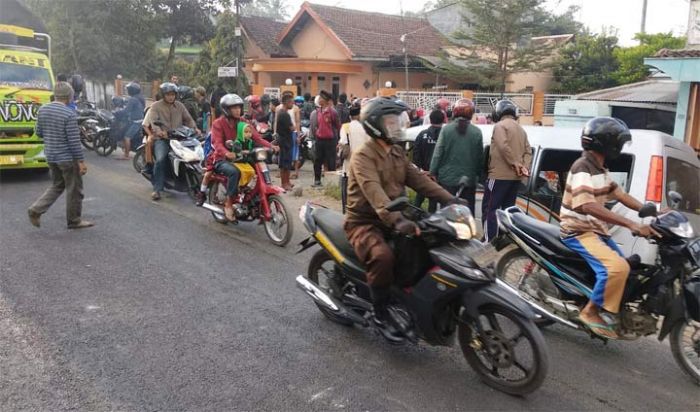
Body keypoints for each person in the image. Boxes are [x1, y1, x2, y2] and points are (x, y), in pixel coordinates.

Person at [344, 97, 461, 342]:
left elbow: (419, 180)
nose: (397, 126)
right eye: (391, 122)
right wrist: (397, 221)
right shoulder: (363, 157)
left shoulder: (396, 152)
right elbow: (374, 192)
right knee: (383, 257)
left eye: (398, 121)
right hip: (365, 222)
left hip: (398, 214)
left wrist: (452, 201)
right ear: (376, 125)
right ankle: (380, 313)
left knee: (431, 241)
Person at [559, 117, 659, 339]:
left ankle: (603, 304)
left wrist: (651, 211)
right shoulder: (582, 167)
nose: (621, 147)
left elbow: (621, 195)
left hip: (595, 230)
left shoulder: (600, 169)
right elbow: (587, 205)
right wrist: (631, 223)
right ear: (606, 143)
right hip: (578, 230)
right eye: (618, 142)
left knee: (626, 267)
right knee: (617, 269)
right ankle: (590, 312)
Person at [27, 82, 93, 229]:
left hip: (51, 156)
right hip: (67, 159)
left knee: (57, 185)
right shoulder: (69, 113)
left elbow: (38, 132)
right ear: (69, 96)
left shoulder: (43, 109)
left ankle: (36, 209)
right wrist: (81, 161)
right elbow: (74, 141)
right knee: (74, 189)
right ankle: (74, 221)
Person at [208, 94, 273, 221]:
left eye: (239, 107)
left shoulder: (244, 122)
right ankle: (228, 203)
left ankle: (254, 195)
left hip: (241, 156)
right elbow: (217, 143)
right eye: (234, 108)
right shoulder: (218, 123)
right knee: (234, 172)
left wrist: (271, 146)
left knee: (260, 166)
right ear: (226, 110)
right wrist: (227, 153)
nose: (238, 110)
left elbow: (257, 138)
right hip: (222, 159)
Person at [482, 100, 532, 242]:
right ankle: (503, 241)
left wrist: (514, 163)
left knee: (490, 209)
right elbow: (528, 151)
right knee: (507, 211)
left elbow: (503, 146)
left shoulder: (499, 126)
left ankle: (489, 243)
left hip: (498, 175)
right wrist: (523, 167)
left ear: (499, 112)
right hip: (515, 178)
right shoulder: (521, 129)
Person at [142, 82, 199, 201]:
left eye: (173, 94)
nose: (171, 97)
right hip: (162, 139)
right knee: (161, 159)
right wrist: (160, 132)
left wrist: (195, 128)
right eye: (168, 94)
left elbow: (188, 119)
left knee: (192, 156)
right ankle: (157, 189)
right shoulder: (156, 106)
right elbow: (153, 122)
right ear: (163, 95)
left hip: (179, 139)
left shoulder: (180, 106)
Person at [430, 99, 483, 216]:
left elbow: (438, 153)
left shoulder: (446, 130)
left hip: (447, 180)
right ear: (471, 113)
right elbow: (480, 158)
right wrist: (478, 175)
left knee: (448, 213)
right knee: (467, 213)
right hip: (469, 180)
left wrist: (432, 172)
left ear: (454, 112)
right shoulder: (477, 132)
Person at [412, 110, 443, 213]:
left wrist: (421, 169)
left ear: (430, 119)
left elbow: (415, 153)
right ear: (443, 119)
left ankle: (413, 217)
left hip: (423, 173)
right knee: (433, 202)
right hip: (438, 175)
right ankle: (432, 222)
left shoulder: (422, 134)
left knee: (419, 198)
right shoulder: (445, 135)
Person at [312, 90, 340, 187]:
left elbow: (338, 126)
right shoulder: (318, 111)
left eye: (320, 98)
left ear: (326, 100)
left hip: (330, 141)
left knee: (331, 161)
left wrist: (338, 141)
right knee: (317, 160)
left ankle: (332, 183)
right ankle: (317, 180)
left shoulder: (333, 112)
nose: (319, 100)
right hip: (320, 140)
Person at [121, 81, 145, 159]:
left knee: (127, 137)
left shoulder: (133, 99)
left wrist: (118, 112)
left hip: (136, 122)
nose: (128, 91)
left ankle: (126, 155)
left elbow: (126, 110)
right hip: (140, 120)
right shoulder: (140, 97)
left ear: (132, 91)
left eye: (129, 90)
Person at [276, 93, 295, 190]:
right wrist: (294, 127)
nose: (293, 104)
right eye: (292, 102)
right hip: (285, 141)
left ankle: (287, 181)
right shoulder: (284, 114)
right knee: (285, 163)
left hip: (285, 140)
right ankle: (284, 183)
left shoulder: (282, 112)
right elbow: (291, 128)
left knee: (287, 162)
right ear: (287, 102)